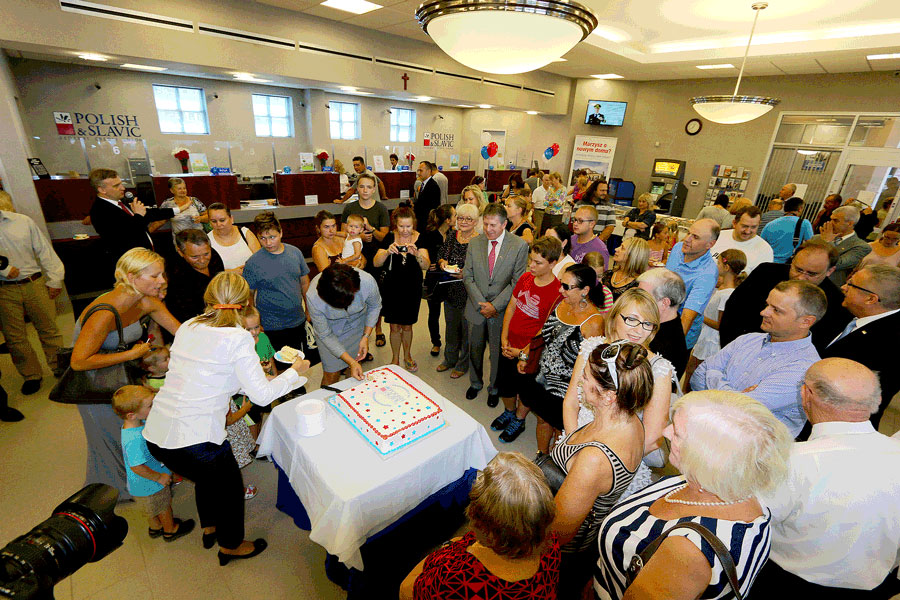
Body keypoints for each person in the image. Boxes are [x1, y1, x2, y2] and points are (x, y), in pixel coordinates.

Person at [143, 272, 309, 562]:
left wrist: (261, 379)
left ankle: (210, 526)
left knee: (206, 480)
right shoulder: (238, 337)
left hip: (157, 434)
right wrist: (294, 372)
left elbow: (211, 373)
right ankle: (230, 545)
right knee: (230, 490)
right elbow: (261, 397)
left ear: (208, 298)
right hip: (196, 442)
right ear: (245, 303)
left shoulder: (189, 326)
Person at [594, 390, 791, 600]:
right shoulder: (726, 487)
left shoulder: (687, 552)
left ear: (708, 458)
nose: (666, 432)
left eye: (677, 433)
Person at [752, 358, 900, 598]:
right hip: (875, 588)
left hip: (785, 584)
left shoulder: (790, 460)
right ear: (879, 399)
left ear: (805, 395)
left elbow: (748, 520)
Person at [71, 248, 181, 500]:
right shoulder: (105, 312)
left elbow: (180, 330)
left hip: (121, 376)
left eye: (162, 274)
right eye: (154, 276)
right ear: (131, 277)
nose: (162, 281)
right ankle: (121, 492)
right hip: (95, 384)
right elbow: (78, 361)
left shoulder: (145, 301)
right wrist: (131, 354)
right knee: (116, 439)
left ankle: (146, 484)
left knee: (135, 436)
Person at [552, 341, 653, 598]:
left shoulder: (595, 459)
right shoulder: (631, 421)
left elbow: (557, 534)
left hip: (560, 558)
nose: (580, 381)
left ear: (609, 396)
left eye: (586, 378)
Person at [400, 452, 560, 600]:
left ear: (480, 523)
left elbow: (406, 590)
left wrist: (446, 549)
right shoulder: (551, 543)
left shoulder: (457, 579)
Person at [691, 280, 825, 437]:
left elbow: (741, 409)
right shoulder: (748, 340)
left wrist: (714, 376)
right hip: (705, 432)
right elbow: (697, 378)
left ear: (806, 321)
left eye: (776, 310)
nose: (764, 312)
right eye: (767, 305)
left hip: (749, 448)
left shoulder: (805, 368)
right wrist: (738, 396)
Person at [517, 264, 605, 455]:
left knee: (560, 428)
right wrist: (526, 353)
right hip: (542, 377)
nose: (560, 290)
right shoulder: (561, 302)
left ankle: (555, 461)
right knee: (541, 419)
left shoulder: (594, 322)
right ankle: (541, 455)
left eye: (566, 286)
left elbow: (591, 364)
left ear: (584, 290)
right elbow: (543, 331)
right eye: (560, 284)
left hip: (565, 389)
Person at [490, 236, 562, 444]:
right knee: (505, 384)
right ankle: (509, 411)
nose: (532, 265)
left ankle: (519, 420)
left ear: (552, 263)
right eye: (531, 260)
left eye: (538, 263)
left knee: (526, 390)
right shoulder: (525, 278)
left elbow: (545, 329)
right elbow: (512, 307)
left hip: (530, 351)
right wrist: (504, 338)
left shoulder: (557, 292)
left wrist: (523, 352)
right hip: (509, 344)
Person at [719, 239, 849, 349]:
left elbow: (817, 344)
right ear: (792, 261)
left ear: (830, 271)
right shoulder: (764, 273)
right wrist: (733, 349)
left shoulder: (837, 304)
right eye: (798, 269)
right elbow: (733, 311)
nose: (801, 277)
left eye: (812, 274)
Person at [463, 203, 530, 407]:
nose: (488, 229)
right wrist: (481, 304)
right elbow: (468, 276)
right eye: (485, 224)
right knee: (474, 349)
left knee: (497, 352)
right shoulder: (475, 243)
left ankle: (494, 388)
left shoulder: (519, 246)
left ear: (504, 224)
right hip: (476, 307)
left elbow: (517, 282)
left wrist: (495, 306)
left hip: (500, 312)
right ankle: (475, 383)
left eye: (493, 225)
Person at [820, 264, 900, 429]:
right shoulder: (851, 312)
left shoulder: (888, 343)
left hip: (838, 426)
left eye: (851, 285)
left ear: (871, 299)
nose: (843, 287)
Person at [112, 385, 195, 541]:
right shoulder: (135, 439)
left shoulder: (133, 426)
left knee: (151, 509)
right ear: (132, 415)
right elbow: (136, 466)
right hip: (152, 483)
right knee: (163, 507)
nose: (154, 407)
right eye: (150, 406)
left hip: (139, 485)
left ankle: (155, 527)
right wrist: (159, 477)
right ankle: (170, 530)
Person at [0, 204, 64, 394]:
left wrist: (55, 279)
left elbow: (45, 251)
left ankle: (60, 368)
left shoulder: (22, 221)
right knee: (14, 337)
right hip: (4, 290)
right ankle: (31, 375)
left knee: (49, 329)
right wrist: (3, 269)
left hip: (34, 283)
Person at [242, 212, 310, 354]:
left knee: (300, 359)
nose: (268, 243)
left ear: (281, 233)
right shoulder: (253, 263)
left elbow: (304, 283)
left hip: (297, 319)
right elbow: (249, 296)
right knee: (277, 363)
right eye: (262, 238)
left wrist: (309, 310)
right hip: (271, 325)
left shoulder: (295, 253)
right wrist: (255, 323)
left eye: (272, 237)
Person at [373, 206, 430, 371]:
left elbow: (426, 265)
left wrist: (417, 254)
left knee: (407, 326)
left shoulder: (420, 238)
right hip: (391, 289)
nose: (405, 230)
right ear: (395, 225)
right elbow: (376, 263)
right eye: (401, 226)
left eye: (408, 226)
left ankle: (407, 356)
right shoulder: (389, 237)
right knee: (394, 326)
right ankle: (395, 358)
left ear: (414, 224)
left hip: (412, 289)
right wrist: (387, 252)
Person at [306, 264, 381, 387]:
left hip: (357, 326)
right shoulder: (313, 296)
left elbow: (375, 306)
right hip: (330, 331)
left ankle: (350, 396)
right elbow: (325, 334)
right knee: (331, 374)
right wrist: (351, 362)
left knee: (354, 372)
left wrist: (366, 336)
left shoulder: (367, 281)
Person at [684, 249, 746, 389]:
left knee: (696, 376)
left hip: (711, 341)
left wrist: (699, 315)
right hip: (705, 336)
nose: (716, 266)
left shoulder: (727, 295)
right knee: (689, 371)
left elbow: (721, 324)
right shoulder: (721, 288)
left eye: (718, 263)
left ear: (726, 267)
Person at [88, 168, 178, 265]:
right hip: (131, 262)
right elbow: (128, 235)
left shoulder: (120, 201)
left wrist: (178, 209)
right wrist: (138, 215)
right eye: (116, 186)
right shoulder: (100, 211)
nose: (123, 188)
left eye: (121, 183)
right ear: (102, 190)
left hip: (144, 257)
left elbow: (147, 214)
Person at [437, 203, 479, 378]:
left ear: (475, 221)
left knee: (466, 330)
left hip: (468, 292)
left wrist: (465, 274)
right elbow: (441, 254)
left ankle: (463, 364)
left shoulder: (479, 241)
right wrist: (442, 263)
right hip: (450, 288)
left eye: (468, 219)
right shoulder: (452, 236)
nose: (463, 221)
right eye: (460, 218)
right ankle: (449, 359)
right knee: (451, 327)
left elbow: (481, 268)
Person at [665, 218, 720, 349]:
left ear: (709, 244)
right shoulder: (678, 248)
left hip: (679, 332)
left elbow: (687, 317)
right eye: (688, 233)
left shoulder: (707, 274)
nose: (687, 239)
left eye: (695, 237)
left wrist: (671, 348)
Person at [636, 268, 689, 380]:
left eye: (643, 297)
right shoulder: (661, 326)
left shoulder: (666, 347)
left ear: (664, 303)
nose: (636, 300)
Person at [165, 230, 225, 324]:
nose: (202, 260)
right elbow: (185, 316)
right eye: (195, 257)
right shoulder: (176, 276)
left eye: (206, 254)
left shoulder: (214, 256)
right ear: (180, 252)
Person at [420, 204, 455, 358]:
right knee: (434, 313)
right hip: (434, 278)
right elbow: (421, 252)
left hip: (451, 278)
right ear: (447, 220)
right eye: (454, 215)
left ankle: (454, 342)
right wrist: (428, 262)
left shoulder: (454, 234)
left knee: (452, 312)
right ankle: (436, 342)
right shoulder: (429, 235)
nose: (456, 218)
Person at [810, 205, 872, 286]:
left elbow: (837, 264)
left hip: (830, 287)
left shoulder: (861, 246)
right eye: (831, 219)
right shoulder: (817, 238)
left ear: (850, 223)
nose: (830, 223)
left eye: (835, 221)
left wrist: (828, 241)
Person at [708, 205, 773, 273]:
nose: (748, 231)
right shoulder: (718, 236)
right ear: (734, 223)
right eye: (744, 226)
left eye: (753, 227)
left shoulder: (765, 250)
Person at [206, 203, 260, 273]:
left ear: (231, 219)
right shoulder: (207, 240)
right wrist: (232, 272)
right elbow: (208, 270)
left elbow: (260, 260)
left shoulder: (245, 233)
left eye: (222, 220)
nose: (218, 224)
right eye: (214, 221)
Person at [761, 196, 814, 263]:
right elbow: (811, 244)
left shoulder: (770, 224)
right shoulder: (804, 223)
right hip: (789, 264)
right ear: (800, 209)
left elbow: (761, 244)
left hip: (768, 262)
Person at [602, 237, 649, 301]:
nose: (616, 249)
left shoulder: (639, 285)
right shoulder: (608, 274)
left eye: (622, 248)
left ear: (633, 255)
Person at [413, 161, 441, 230]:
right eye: (418, 170)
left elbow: (432, 207)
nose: (418, 173)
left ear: (428, 171)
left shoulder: (433, 186)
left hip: (427, 224)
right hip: (421, 222)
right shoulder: (423, 184)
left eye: (421, 170)